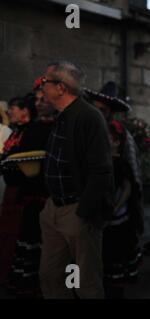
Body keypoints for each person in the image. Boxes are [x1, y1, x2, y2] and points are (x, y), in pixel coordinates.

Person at [39, 61, 114, 299]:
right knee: (50, 275)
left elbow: (101, 170)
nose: (42, 87)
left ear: (60, 87)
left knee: (86, 282)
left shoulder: (89, 116)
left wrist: (83, 214)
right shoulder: (62, 115)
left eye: (45, 82)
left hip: (76, 210)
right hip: (54, 208)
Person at [85, 82, 143, 299]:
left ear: (110, 113)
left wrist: (119, 205)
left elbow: (132, 177)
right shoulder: (85, 130)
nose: (98, 113)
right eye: (95, 108)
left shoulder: (120, 135)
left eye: (103, 110)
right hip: (89, 208)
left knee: (113, 260)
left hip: (116, 211)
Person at [0, 94, 51, 298]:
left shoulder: (56, 128)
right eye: (37, 99)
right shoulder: (28, 130)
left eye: (43, 99)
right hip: (23, 193)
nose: (10, 111)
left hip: (43, 196)